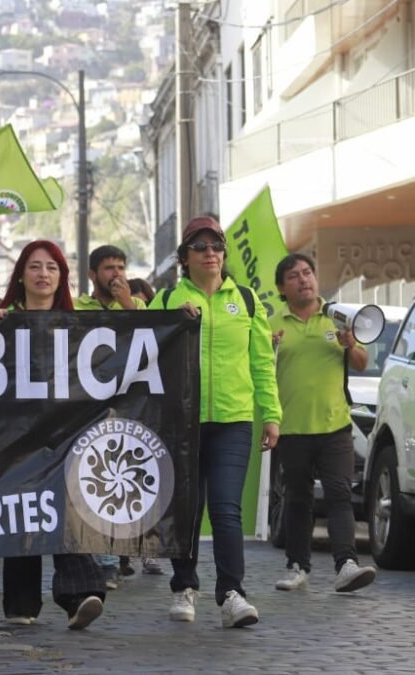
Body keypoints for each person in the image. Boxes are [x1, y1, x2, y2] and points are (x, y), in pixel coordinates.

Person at [148, 215, 281, 629]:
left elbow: (261, 361)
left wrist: (271, 414)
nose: (211, 253)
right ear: (184, 258)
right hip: (180, 421)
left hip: (233, 419)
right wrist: (171, 322)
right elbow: (139, 350)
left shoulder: (244, 298)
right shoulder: (167, 300)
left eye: (216, 247)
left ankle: (232, 594)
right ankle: (184, 587)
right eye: (200, 247)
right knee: (186, 509)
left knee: (226, 509)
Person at [0, 240, 107, 630]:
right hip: (15, 436)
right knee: (21, 510)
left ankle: (79, 596)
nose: (43, 274)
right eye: (35, 266)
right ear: (21, 274)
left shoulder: (81, 327)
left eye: (52, 268)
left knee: (63, 510)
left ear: (62, 278)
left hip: (64, 435)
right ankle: (21, 604)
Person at [270, 254, 377, 593]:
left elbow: (362, 362)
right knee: (298, 498)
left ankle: (346, 563)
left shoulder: (337, 318)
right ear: (282, 288)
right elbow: (261, 371)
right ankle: (297, 566)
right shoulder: (274, 324)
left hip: (335, 427)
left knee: (339, 494)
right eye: (294, 276)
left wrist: (349, 345)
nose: (304, 280)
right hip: (292, 428)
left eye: (308, 273)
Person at [72, 244, 145, 587]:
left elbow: (148, 337)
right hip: (85, 407)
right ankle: (95, 559)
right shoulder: (74, 307)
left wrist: (128, 303)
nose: (115, 274)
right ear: (91, 274)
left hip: (125, 407)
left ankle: (111, 560)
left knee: (116, 484)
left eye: (120, 267)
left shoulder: (138, 306)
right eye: (108, 268)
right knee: (88, 482)